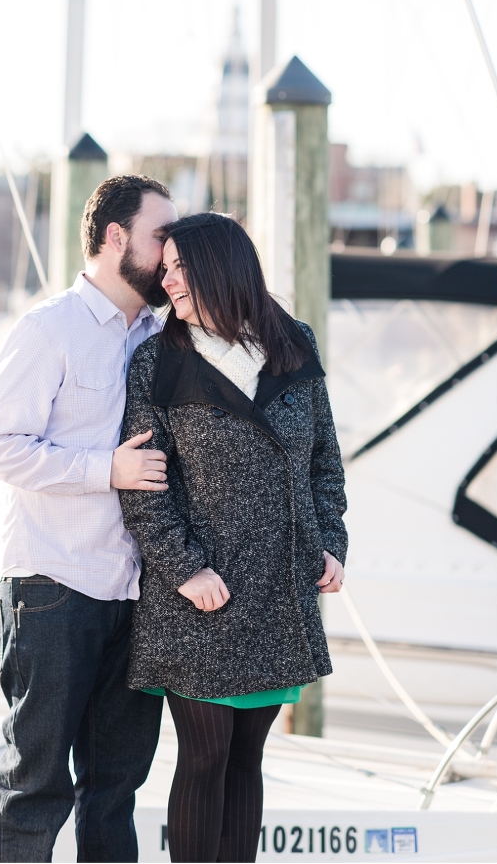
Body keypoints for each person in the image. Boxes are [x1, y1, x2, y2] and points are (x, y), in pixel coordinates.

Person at [119, 212, 348, 864]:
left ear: (221, 264)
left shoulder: (294, 343)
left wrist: (331, 542)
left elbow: (324, 463)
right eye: (162, 272)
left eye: (178, 269)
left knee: (249, 758)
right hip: (200, 598)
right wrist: (187, 570)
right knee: (206, 756)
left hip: (280, 594)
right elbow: (142, 486)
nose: (168, 283)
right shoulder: (158, 361)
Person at [0, 174, 177, 864]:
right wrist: (105, 469)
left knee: (115, 790)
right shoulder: (47, 328)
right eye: (160, 236)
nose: (170, 251)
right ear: (115, 238)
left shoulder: (158, 333)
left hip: (133, 594)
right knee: (35, 787)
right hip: (53, 587)